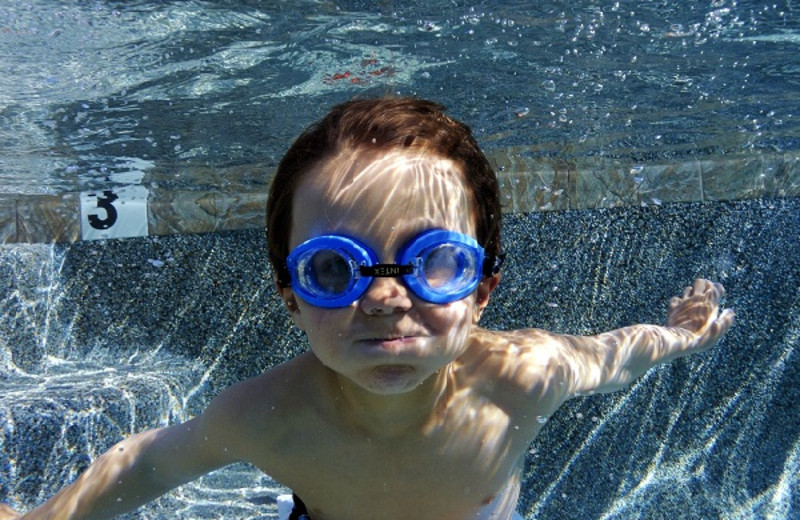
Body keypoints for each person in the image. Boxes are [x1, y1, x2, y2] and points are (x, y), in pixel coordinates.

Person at [0, 97, 734, 520]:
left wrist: (680, 334)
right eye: (333, 269)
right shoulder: (269, 416)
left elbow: (618, 353)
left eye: (434, 263)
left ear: (483, 290)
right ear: (291, 296)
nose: (386, 297)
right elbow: (145, 463)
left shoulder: (524, 377)